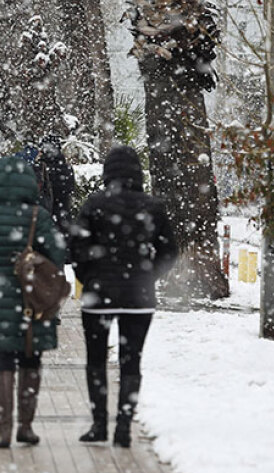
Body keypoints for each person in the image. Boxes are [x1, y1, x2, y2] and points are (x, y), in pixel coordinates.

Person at [71, 146, 178, 448]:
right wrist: (148, 275)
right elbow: (170, 250)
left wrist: (89, 277)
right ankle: (124, 428)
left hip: (98, 296)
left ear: (107, 173)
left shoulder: (94, 204)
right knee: (132, 362)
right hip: (139, 297)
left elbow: (76, 248)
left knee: (96, 359)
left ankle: (99, 425)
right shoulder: (152, 206)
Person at [0, 157, 66, 448]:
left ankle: (3, 429)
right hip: (32, 300)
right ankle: (26, 425)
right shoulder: (39, 217)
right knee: (30, 358)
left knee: (0, 360)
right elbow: (58, 255)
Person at [18, 134, 76, 235]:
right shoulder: (67, 169)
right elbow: (69, 190)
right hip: (63, 220)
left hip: (43, 220)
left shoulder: (38, 168)